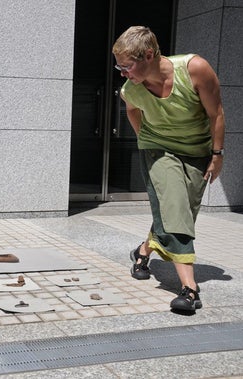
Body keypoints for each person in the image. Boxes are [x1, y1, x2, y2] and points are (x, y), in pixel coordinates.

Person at [112, 26, 225, 312]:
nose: (123, 73)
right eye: (119, 67)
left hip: (198, 151)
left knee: (178, 212)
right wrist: (145, 140)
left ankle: (143, 251)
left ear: (149, 55)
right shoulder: (131, 89)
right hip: (158, 150)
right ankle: (189, 290)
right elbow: (132, 109)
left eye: (127, 66)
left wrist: (217, 155)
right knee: (174, 208)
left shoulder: (195, 69)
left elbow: (216, 113)